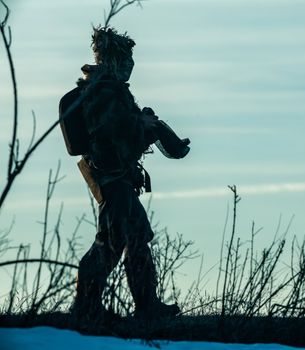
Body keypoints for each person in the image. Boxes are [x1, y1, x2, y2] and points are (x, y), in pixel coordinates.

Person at [59, 27, 190, 322]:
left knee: (136, 238)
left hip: (118, 178)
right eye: (126, 57)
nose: (131, 64)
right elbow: (113, 133)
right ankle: (86, 307)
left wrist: (143, 123)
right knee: (111, 240)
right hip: (112, 177)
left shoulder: (104, 88)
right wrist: (143, 123)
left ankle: (147, 306)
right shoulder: (106, 90)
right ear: (115, 58)